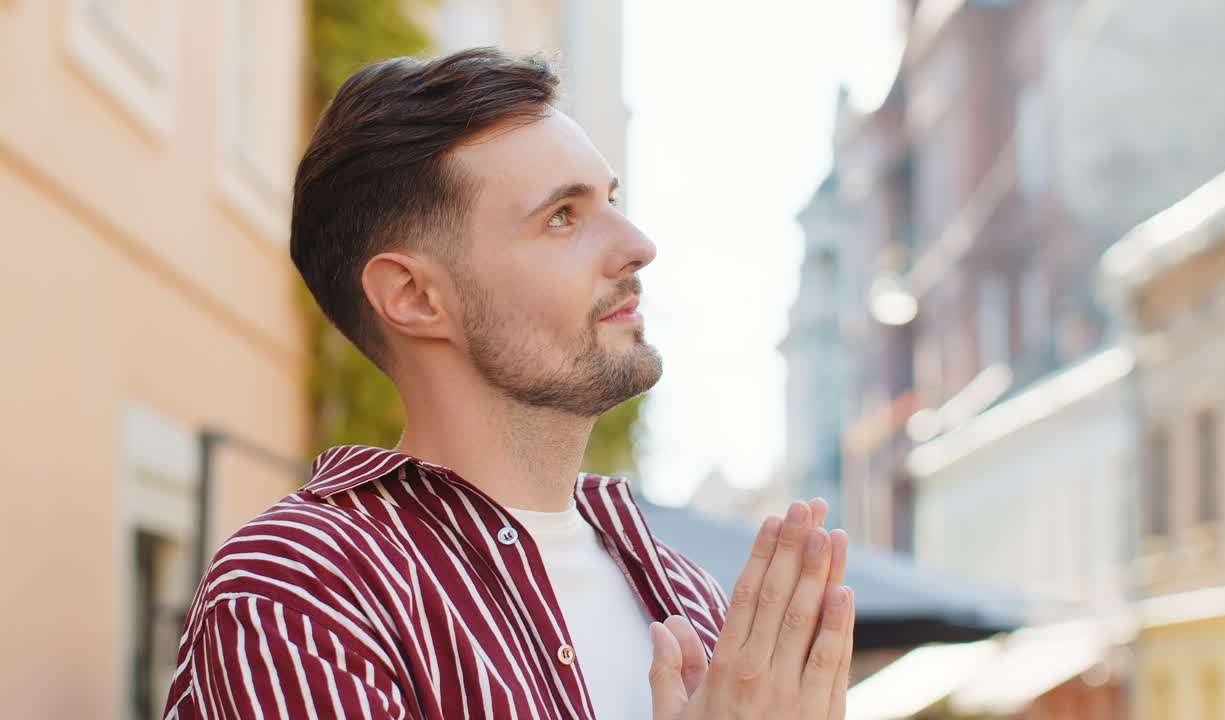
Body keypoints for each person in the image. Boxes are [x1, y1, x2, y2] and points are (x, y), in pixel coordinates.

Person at [163, 47, 854, 720]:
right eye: (563, 216)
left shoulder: (693, 599)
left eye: (611, 200)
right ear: (414, 296)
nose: (637, 244)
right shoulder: (300, 592)